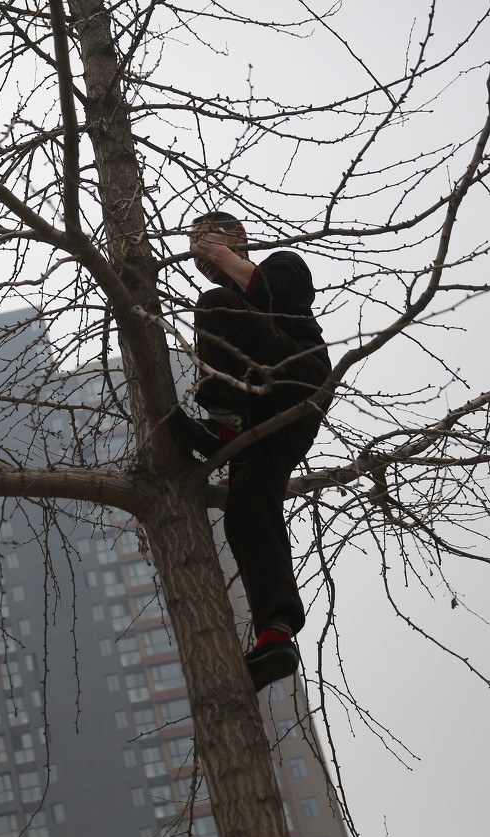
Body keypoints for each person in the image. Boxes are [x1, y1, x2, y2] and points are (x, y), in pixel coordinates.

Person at [171, 210, 332, 692]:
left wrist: (222, 257)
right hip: (265, 427)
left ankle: (223, 424)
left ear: (237, 237)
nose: (199, 251)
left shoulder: (286, 264)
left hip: (298, 380)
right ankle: (275, 633)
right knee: (245, 509)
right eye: (193, 244)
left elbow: (271, 291)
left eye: (205, 238)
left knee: (216, 302)